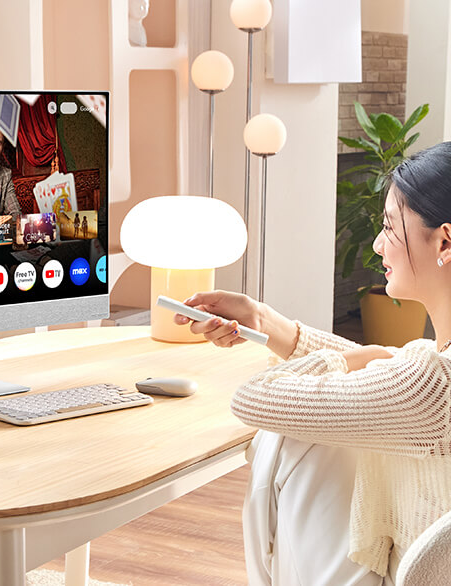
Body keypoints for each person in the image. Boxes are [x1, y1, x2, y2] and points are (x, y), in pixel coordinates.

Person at [174, 142, 451, 585]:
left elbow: (252, 399)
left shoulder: (430, 383)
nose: (379, 244)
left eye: (390, 228)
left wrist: (353, 362)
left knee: (290, 439)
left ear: (444, 240)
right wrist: (263, 320)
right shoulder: (432, 369)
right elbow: (386, 375)